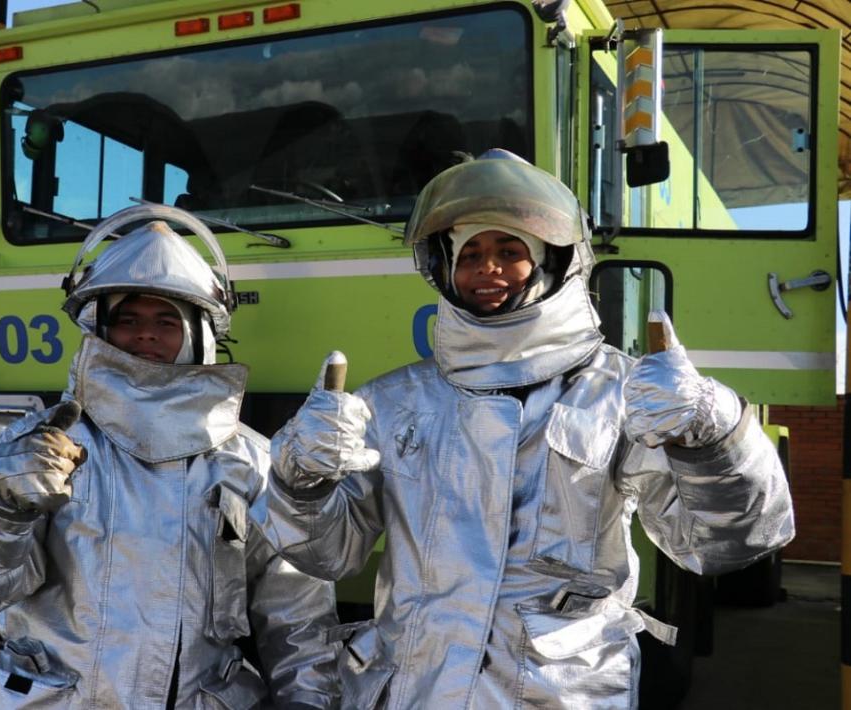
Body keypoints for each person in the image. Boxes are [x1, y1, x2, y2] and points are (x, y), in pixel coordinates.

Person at [252, 151, 794, 708]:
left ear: (556, 262)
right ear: (444, 268)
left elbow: (727, 543)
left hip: (556, 694)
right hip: (415, 689)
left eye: (510, 252)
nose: (487, 269)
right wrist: (302, 483)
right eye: (472, 254)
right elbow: (327, 556)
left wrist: (713, 435)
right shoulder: (391, 402)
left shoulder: (620, 393)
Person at [0, 206, 340, 709]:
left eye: (167, 320)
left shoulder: (250, 463)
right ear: (98, 329)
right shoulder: (36, 450)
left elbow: (297, 619)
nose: (146, 334)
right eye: (129, 319)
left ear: (202, 336)